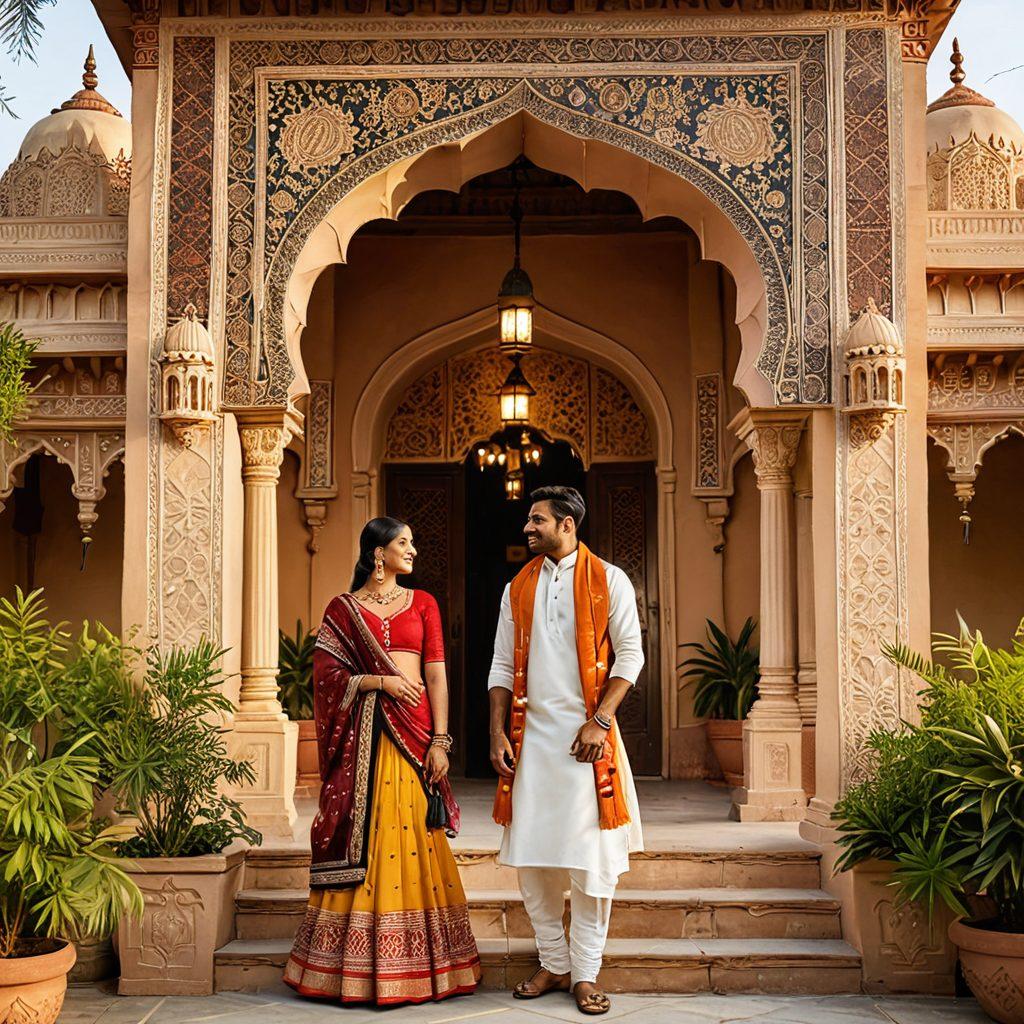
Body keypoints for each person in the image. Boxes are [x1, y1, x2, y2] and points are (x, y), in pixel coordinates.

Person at [284, 516, 481, 1006]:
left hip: (414, 738)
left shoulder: (426, 604)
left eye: (412, 542)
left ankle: (422, 966)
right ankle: (347, 969)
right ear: (378, 554)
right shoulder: (343, 609)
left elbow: (436, 675)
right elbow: (327, 679)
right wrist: (380, 682)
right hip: (365, 739)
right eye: (403, 543)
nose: (412, 550)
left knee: (415, 832)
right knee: (366, 833)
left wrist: (442, 739)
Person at [488, 486, 644, 1016]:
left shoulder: (610, 580)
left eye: (537, 520)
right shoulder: (517, 587)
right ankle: (554, 963)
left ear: (567, 524)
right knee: (533, 860)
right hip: (531, 743)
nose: (527, 528)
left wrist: (600, 721)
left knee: (591, 862)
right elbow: (501, 667)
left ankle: (586, 973)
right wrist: (495, 732)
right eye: (528, 520)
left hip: (587, 744)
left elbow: (631, 656)